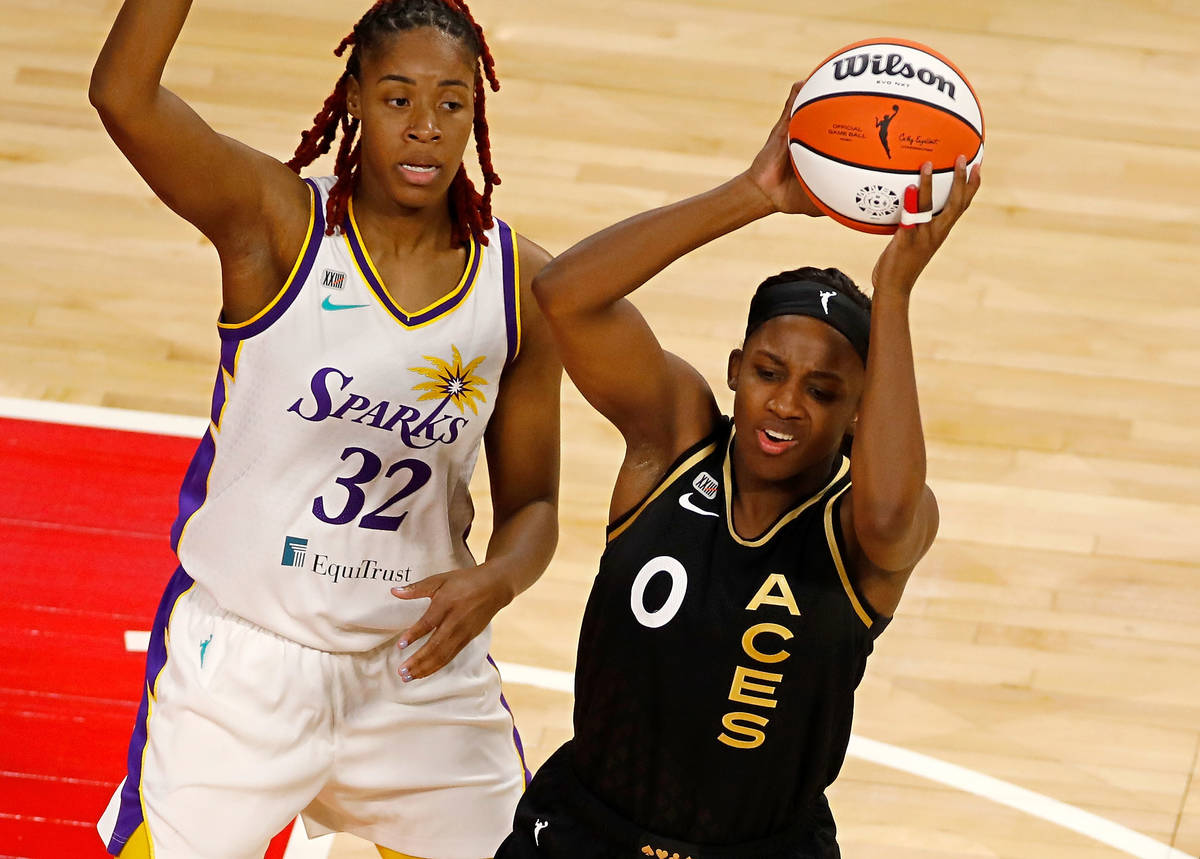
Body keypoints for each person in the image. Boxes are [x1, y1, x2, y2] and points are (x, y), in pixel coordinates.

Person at [89, 0, 560, 855]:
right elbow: (124, 95)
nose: (425, 128)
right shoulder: (276, 225)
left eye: (451, 103)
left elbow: (535, 506)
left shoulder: (518, 285)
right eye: (396, 98)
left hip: (418, 672)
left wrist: (499, 579)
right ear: (351, 98)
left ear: (476, 114)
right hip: (245, 665)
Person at [496, 81, 981, 859]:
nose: (786, 403)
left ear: (862, 412)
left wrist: (894, 289)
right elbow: (563, 295)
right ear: (733, 369)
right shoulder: (674, 440)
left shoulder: (864, 524)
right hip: (585, 831)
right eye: (767, 371)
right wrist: (751, 193)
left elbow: (892, 516)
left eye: (823, 392)